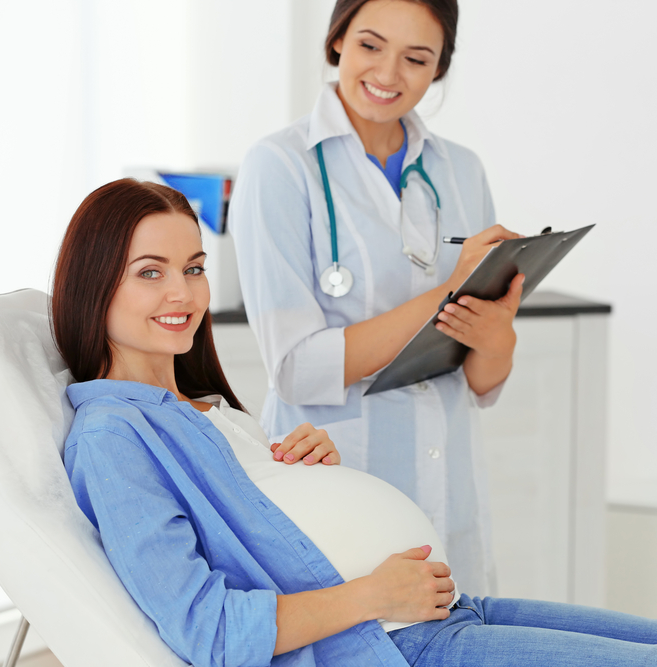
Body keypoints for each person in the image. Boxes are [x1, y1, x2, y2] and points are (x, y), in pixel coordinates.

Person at [56, 179, 657, 667]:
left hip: (438, 610)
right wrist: (371, 594)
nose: (184, 294)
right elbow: (206, 627)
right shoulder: (112, 435)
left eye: (197, 267)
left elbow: (251, 530)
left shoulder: (201, 407)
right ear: (100, 283)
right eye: (151, 272)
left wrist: (294, 466)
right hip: (397, 643)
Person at [228, 0, 521, 597]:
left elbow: (480, 386)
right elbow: (297, 369)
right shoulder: (279, 167)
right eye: (369, 45)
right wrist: (446, 294)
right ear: (337, 40)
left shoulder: (462, 170)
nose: (388, 74)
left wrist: (499, 339)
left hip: (450, 487)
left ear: (439, 68)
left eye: (417, 58)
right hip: (339, 491)